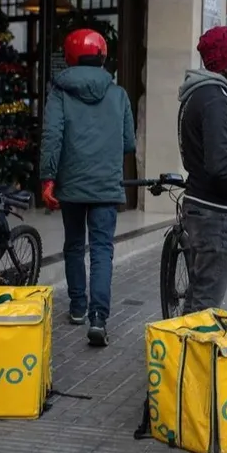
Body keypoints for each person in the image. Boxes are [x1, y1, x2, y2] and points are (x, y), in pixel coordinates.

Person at [40, 28, 135, 347]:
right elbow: (128, 142)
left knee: (73, 245)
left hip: (71, 183)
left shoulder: (59, 93)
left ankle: (78, 307)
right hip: (106, 184)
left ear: (69, 56)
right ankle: (98, 318)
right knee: (102, 249)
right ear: (103, 56)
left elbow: (52, 137)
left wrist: (48, 178)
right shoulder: (118, 94)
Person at [177, 25, 227, 313]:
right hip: (216, 215)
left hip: (205, 209)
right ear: (224, 62)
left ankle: (185, 342)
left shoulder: (201, 94)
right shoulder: (213, 99)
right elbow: (219, 165)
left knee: (198, 297)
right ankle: (192, 345)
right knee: (205, 306)